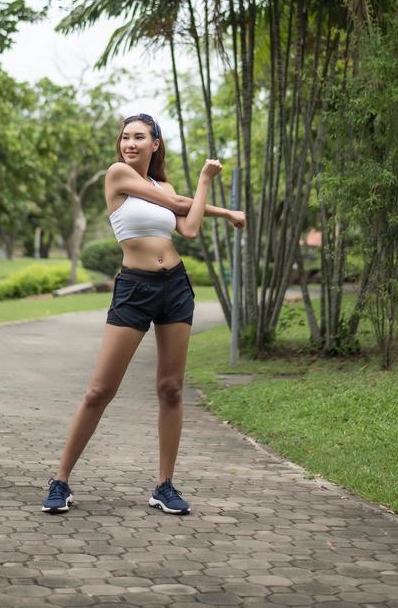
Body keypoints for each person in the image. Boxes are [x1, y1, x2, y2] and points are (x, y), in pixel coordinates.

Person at [42, 112, 246, 516]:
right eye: (125, 137)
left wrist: (212, 198)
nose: (129, 143)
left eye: (139, 137)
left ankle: (164, 485)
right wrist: (215, 196)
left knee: (171, 388)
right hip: (134, 289)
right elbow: (177, 204)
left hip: (175, 288)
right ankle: (60, 480)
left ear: (156, 144)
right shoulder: (117, 175)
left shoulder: (161, 184)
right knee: (100, 390)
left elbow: (187, 227)